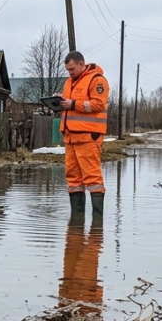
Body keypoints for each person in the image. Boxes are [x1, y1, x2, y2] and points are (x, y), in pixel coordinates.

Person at [57, 51, 108, 215]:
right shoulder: (68, 83)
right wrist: (59, 101)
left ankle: (97, 224)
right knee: (73, 179)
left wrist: (73, 104)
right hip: (70, 137)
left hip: (88, 136)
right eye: (67, 70)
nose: (69, 72)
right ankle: (76, 224)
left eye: (71, 69)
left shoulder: (97, 80)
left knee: (93, 178)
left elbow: (98, 104)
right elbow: (70, 105)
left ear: (81, 64)